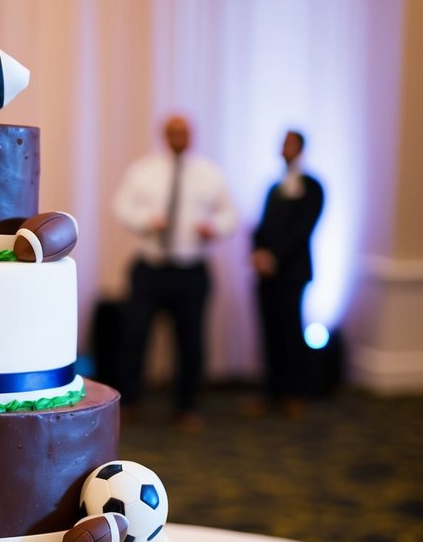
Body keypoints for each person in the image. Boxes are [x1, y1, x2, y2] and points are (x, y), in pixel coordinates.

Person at [112, 114, 237, 431]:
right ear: (165, 135)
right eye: (173, 132)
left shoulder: (209, 172)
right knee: (135, 337)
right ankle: (130, 401)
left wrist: (214, 226)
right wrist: (145, 220)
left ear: (191, 135)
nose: (179, 137)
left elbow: (230, 213)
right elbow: (121, 205)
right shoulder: (144, 170)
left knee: (191, 341)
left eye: (184, 132)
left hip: (191, 268)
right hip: (150, 267)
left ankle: (187, 405)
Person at [248, 130, 324, 418]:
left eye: (290, 144)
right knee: (270, 333)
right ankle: (272, 392)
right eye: (283, 144)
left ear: (301, 149)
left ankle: (296, 392)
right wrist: (257, 252)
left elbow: (303, 230)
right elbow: (263, 226)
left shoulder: (312, 187)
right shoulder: (275, 187)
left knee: (291, 331)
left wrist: (275, 256)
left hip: (292, 273)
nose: (285, 148)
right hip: (267, 274)